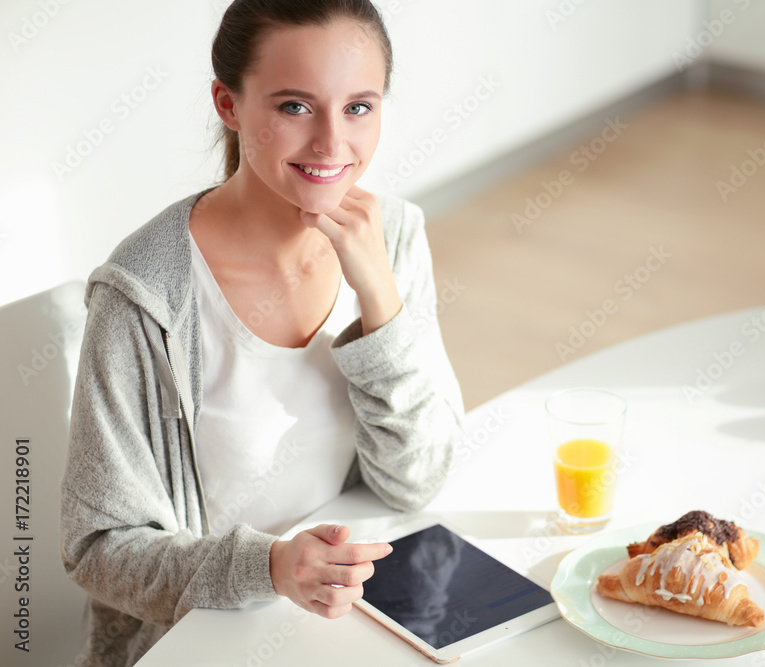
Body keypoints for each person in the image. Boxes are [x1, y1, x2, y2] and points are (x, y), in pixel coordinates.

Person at [60, 1, 465, 664]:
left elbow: (415, 481)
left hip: (349, 621)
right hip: (203, 639)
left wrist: (380, 297)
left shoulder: (391, 235)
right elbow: (98, 547)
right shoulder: (143, 295)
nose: (333, 144)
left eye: (359, 107)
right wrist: (270, 567)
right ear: (228, 103)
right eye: (295, 107)